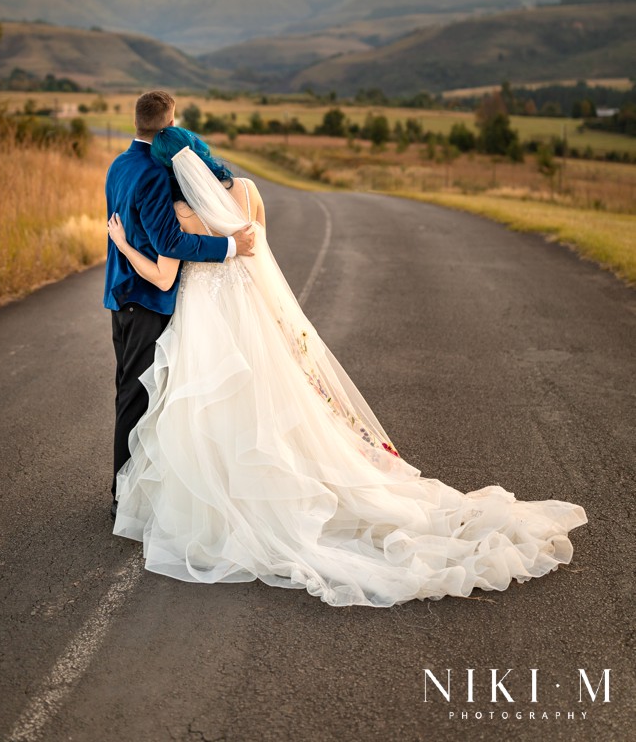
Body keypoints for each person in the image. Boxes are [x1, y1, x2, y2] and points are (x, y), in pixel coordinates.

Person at [106, 125, 587, 606]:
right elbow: (263, 254)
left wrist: (126, 245)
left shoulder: (182, 211)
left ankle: (216, 497)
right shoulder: (249, 192)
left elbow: (171, 261)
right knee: (269, 397)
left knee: (207, 404)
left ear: (170, 167)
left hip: (207, 319)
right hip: (249, 309)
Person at [103, 90, 255, 519]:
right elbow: (169, 241)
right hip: (147, 297)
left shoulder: (119, 163)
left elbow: (130, 229)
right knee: (137, 397)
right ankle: (123, 495)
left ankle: (134, 486)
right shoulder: (155, 173)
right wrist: (230, 246)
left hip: (121, 294)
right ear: (170, 123)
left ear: (136, 121)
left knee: (135, 393)